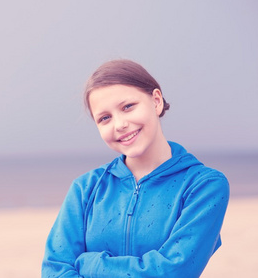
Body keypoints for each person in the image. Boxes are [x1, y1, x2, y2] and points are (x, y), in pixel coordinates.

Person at [42, 59, 229, 278]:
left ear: (156, 101)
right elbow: (55, 270)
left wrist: (90, 264)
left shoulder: (204, 186)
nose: (119, 124)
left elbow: (172, 272)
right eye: (105, 118)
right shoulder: (85, 188)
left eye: (127, 107)